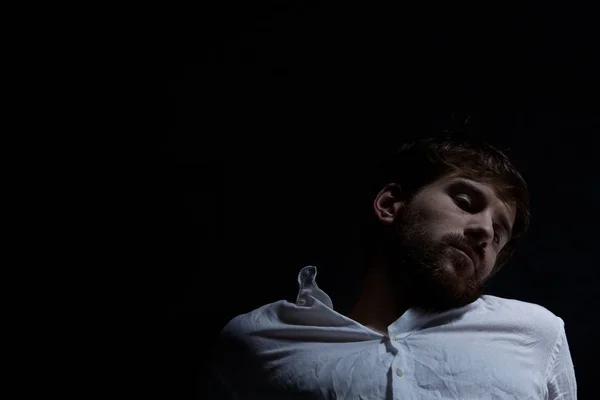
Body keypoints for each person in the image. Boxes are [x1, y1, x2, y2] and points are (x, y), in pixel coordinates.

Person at [207, 134, 577, 399]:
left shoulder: (537, 336)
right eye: (465, 202)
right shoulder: (257, 342)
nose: (483, 231)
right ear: (389, 205)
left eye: (499, 234)